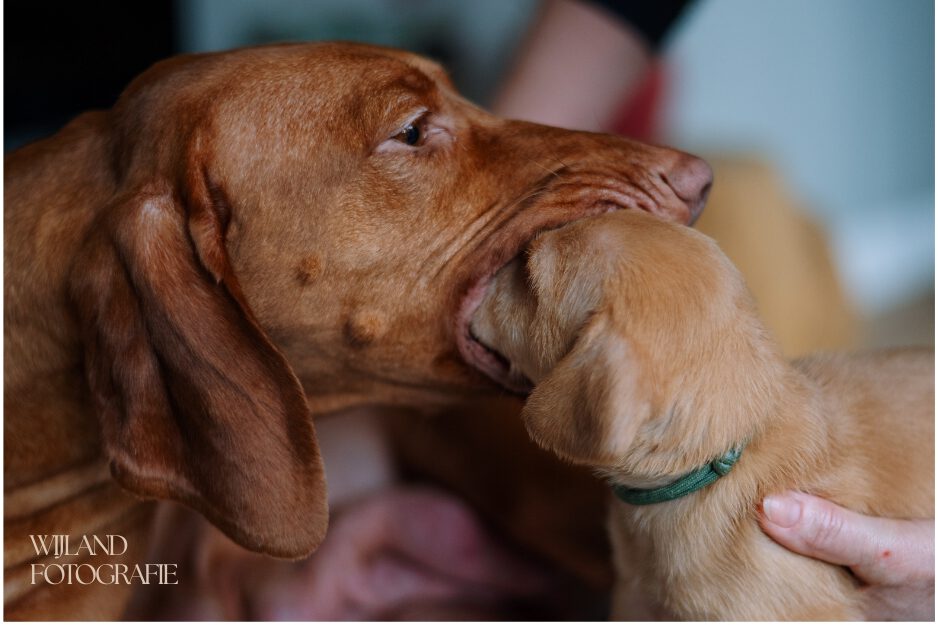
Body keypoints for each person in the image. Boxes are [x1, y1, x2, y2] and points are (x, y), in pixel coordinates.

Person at [493, 1, 935, 620]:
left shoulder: (746, 575)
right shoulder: (662, 470)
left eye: (526, 281)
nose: (495, 280)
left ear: (591, 395)